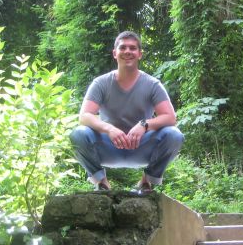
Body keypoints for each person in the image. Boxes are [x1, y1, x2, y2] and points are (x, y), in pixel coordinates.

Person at [69, 31, 184, 196]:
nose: (127, 51)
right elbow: (84, 116)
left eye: (132, 48)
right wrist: (109, 128)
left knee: (174, 135)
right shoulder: (100, 83)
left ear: (140, 54)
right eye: (122, 47)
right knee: (78, 134)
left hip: (141, 147)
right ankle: (101, 182)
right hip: (109, 146)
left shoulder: (152, 84)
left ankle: (147, 181)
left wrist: (144, 125)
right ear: (115, 53)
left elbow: (170, 117)